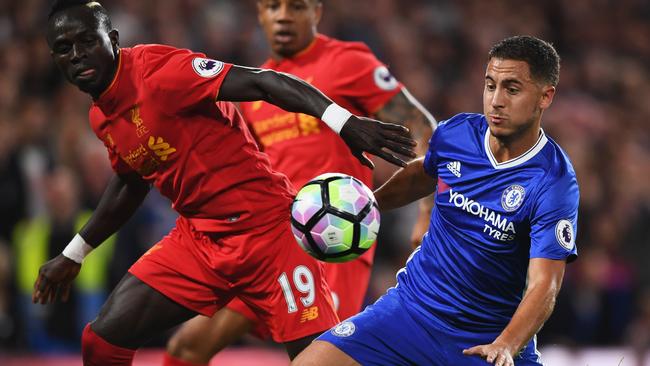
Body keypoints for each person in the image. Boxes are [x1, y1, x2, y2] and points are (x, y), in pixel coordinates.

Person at [33, 1, 417, 365]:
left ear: (112, 40)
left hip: (272, 237)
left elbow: (264, 82)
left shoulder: (161, 72)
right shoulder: (102, 118)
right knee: (102, 341)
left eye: (87, 41)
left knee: (322, 359)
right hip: (199, 242)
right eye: (64, 48)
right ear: (53, 59)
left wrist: (345, 123)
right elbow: (130, 183)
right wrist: (74, 253)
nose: (78, 55)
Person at [164, 0, 435, 364]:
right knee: (187, 346)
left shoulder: (348, 61)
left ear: (317, 12)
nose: (283, 16)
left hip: (334, 244)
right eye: (273, 7)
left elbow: (425, 131)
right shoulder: (259, 86)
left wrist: (427, 211)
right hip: (272, 243)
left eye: (296, 6)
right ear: (260, 14)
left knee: (319, 359)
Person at [292, 35, 580, 366]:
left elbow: (546, 284)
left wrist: (506, 344)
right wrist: (367, 205)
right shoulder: (456, 134)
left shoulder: (553, 181)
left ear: (545, 97)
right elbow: (423, 173)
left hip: (484, 340)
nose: (496, 101)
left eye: (512, 89)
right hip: (409, 312)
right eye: (490, 85)